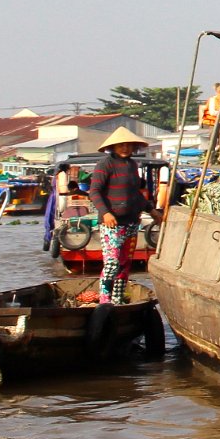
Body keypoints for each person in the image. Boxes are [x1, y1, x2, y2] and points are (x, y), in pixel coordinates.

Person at [89, 126, 155, 305]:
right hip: (112, 223)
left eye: (128, 145)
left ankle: (117, 299)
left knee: (124, 264)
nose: (125, 148)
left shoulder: (132, 165)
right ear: (113, 147)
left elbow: (135, 194)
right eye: (121, 145)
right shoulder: (106, 164)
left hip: (131, 222)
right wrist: (106, 213)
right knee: (112, 263)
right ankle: (105, 300)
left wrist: (151, 210)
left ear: (133, 146)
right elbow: (94, 191)